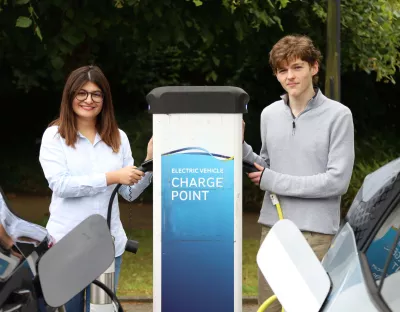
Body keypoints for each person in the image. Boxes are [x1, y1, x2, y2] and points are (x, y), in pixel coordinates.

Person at [242, 35, 355, 311]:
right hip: (274, 231)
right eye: (282, 70)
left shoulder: (339, 116)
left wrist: (273, 180)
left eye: (297, 67)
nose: (289, 76)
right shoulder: (269, 114)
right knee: (268, 308)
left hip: (316, 234)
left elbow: (336, 181)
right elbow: (266, 166)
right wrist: (240, 146)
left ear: (314, 67)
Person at [39, 65, 153, 312]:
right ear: (70, 96)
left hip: (108, 247)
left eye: (96, 94)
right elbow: (61, 184)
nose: (88, 100)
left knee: (102, 310)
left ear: (105, 99)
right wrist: (112, 176)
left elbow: (129, 192)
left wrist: (150, 163)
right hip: (65, 246)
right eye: (81, 93)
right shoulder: (54, 137)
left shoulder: (118, 137)